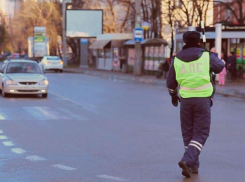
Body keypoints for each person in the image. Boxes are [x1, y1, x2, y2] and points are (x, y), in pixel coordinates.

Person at [166, 31, 225, 178]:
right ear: (199, 41)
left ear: (184, 42)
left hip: (185, 101)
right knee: (201, 133)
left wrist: (173, 95)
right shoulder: (206, 55)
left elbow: (170, 82)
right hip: (202, 100)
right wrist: (214, 56)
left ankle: (193, 165)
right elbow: (219, 68)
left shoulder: (177, 58)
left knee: (188, 132)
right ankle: (187, 160)